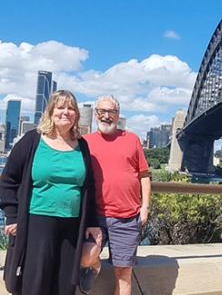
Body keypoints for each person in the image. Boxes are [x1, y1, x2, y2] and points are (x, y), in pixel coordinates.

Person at [0, 89, 103, 295]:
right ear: (50, 112)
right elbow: (9, 179)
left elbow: (88, 186)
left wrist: (92, 222)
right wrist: (12, 216)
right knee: (36, 280)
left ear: (77, 115)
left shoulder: (82, 145)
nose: (66, 112)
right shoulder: (32, 140)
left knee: (64, 284)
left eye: (71, 108)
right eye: (61, 107)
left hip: (72, 223)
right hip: (38, 221)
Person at [79, 95, 151, 295]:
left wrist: (144, 207)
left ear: (118, 115)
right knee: (85, 256)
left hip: (127, 217)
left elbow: (144, 176)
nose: (106, 116)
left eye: (111, 112)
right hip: (95, 216)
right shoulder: (84, 142)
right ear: (95, 115)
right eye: (102, 111)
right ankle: (94, 266)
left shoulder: (132, 139)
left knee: (124, 272)